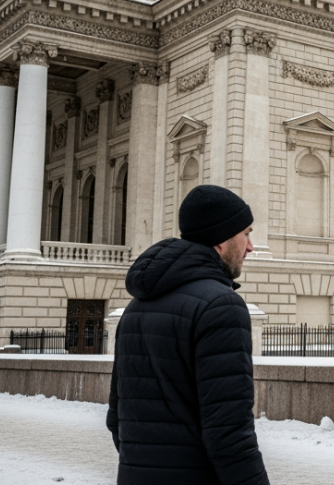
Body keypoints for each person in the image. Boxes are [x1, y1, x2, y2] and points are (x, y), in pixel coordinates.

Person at [107, 184, 268, 485]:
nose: (250, 246)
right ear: (222, 239)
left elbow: (116, 419)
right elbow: (229, 434)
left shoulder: (135, 307)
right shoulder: (222, 306)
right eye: (246, 233)